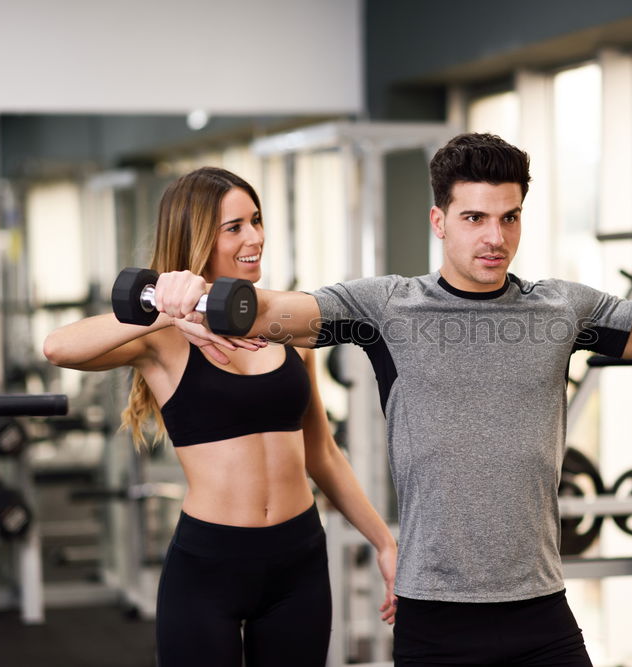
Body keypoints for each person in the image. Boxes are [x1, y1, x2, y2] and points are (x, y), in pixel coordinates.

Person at [148, 135, 632, 666]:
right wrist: (190, 291)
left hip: (540, 611)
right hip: (435, 616)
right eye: (475, 217)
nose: (495, 237)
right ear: (439, 219)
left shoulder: (561, 308)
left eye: (509, 217)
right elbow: (274, 310)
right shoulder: (385, 306)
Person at [42, 167, 397, 667]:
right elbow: (58, 348)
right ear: (197, 238)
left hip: (299, 561)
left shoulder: (284, 328)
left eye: (256, 221)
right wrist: (168, 311)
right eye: (234, 227)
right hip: (209, 567)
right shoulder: (160, 341)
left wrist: (383, 541)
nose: (254, 237)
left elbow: (321, 453)